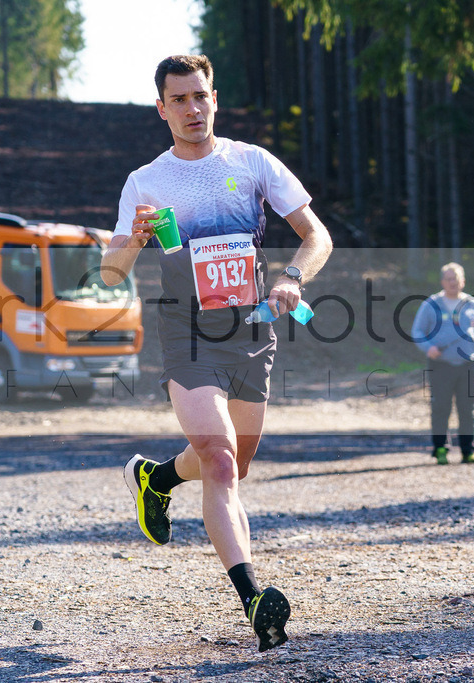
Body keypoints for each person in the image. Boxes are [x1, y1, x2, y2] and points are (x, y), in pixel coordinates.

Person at [100, 54, 333, 652]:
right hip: (187, 332)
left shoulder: (252, 163)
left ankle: (154, 478)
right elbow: (110, 271)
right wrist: (136, 238)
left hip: (252, 331)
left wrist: (290, 280)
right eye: (178, 99)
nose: (192, 108)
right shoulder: (145, 181)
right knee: (221, 461)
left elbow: (316, 235)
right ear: (162, 108)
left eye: (199, 96)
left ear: (214, 99)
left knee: (233, 463)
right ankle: (255, 598)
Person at [411, 263, 474, 465]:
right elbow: (418, 332)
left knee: (467, 409)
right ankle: (440, 449)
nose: (452, 282)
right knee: (441, 407)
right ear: (442, 281)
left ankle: (468, 451)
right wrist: (429, 348)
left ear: (463, 281)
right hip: (441, 365)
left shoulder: (473, 304)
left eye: (456, 278)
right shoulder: (431, 304)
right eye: (448, 278)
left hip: (468, 365)